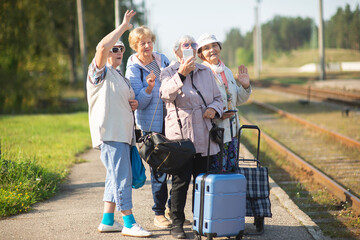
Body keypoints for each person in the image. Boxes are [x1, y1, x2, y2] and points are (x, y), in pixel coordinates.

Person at [86, 10, 151, 237]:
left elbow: (125, 100)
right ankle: (129, 223)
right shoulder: (99, 73)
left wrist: (132, 104)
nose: (119, 51)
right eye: (115, 48)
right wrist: (123, 27)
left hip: (124, 134)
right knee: (121, 177)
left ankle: (107, 220)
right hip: (111, 133)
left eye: (122, 48)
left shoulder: (119, 75)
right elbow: (102, 48)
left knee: (113, 178)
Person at [160, 35, 223, 239]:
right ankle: (176, 224)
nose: (190, 49)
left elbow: (218, 98)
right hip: (180, 137)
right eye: (185, 46)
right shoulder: (168, 71)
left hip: (204, 134)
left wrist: (214, 109)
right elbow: (165, 95)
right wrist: (181, 74)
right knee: (180, 182)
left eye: (193, 45)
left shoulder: (206, 71)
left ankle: (201, 222)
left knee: (202, 181)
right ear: (177, 52)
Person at [125, 26, 172, 229]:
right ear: (135, 46)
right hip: (151, 126)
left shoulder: (162, 60)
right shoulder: (133, 67)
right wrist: (150, 88)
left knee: (178, 166)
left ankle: (174, 209)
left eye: (149, 41)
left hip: (171, 121)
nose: (147, 46)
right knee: (159, 170)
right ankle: (159, 213)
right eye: (142, 43)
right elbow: (139, 103)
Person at [197, 33, 251, 171]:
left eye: (214, 45)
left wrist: (245, 86)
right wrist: (217, 114)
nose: (212, 50)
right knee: (216, 172)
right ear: (201, 54)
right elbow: (200, 104)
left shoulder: (226, 71)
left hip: (231, 132)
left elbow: (236, 100)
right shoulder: (201, 73)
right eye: (206, 48)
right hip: (214, 134)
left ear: (219, 48)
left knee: (231, 171)